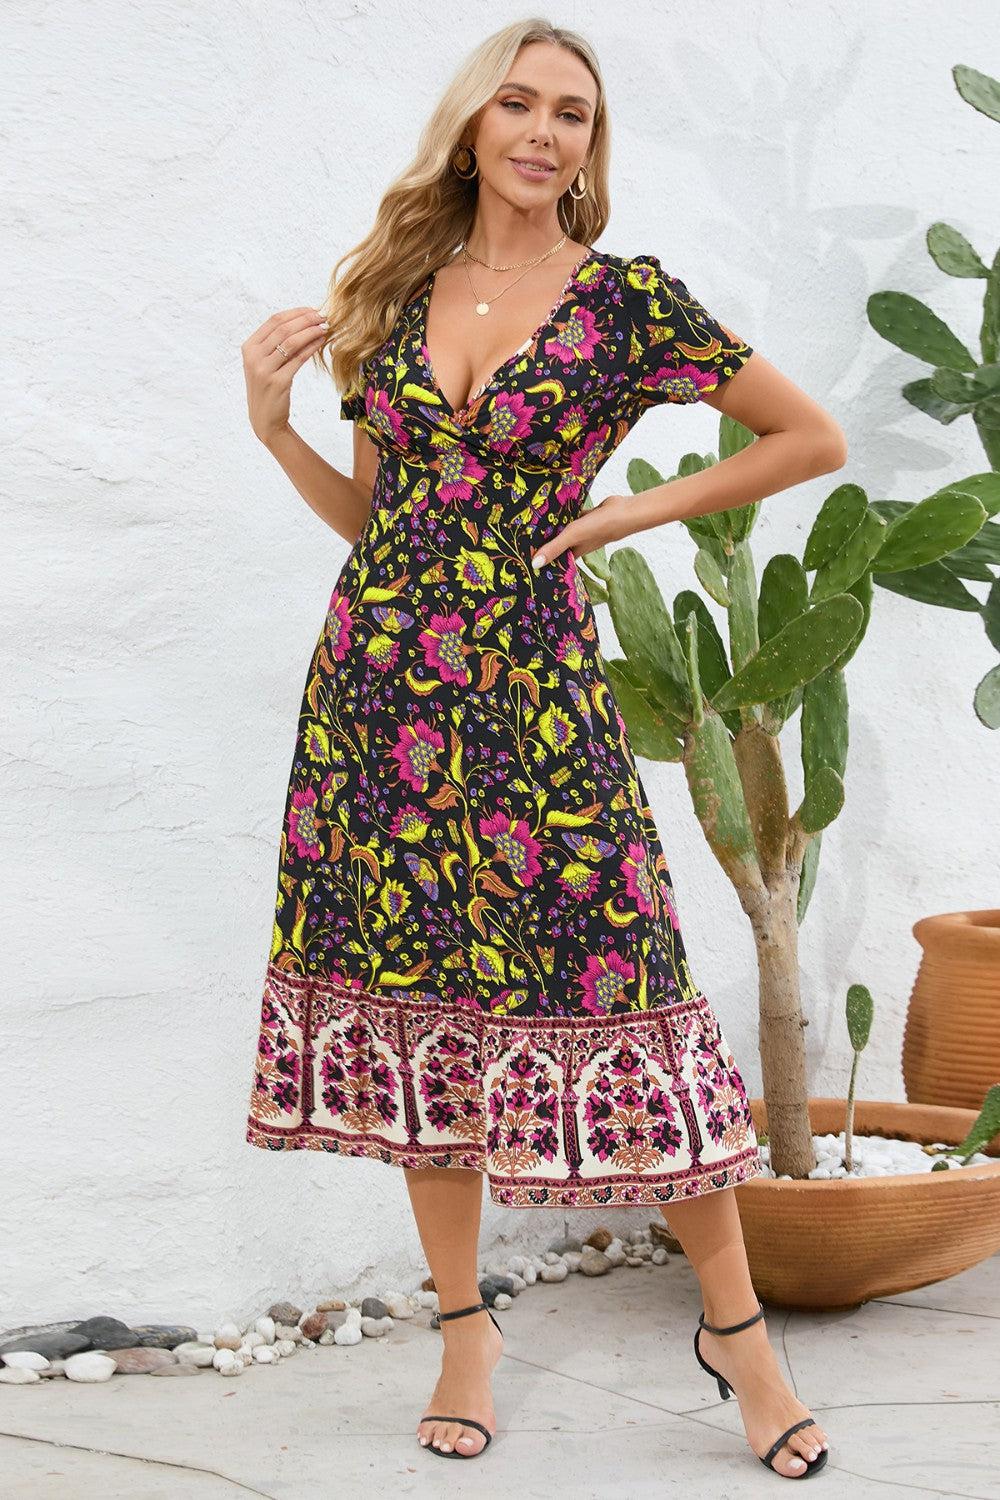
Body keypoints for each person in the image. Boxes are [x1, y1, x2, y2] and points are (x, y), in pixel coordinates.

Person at [241, 17, 845, 1479]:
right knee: (425, 1009)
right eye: (517, 103)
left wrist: (625, 513)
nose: (544, 131)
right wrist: (275, 431)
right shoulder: (386, 291)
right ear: (470, 123)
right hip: (377, 699)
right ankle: (467, 1330)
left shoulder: (625, 304)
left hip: (536, 691)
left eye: (572, 113)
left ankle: (738, 1339)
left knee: (628, 996)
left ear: (591, 148)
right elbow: (382, 527)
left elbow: (806, 438)